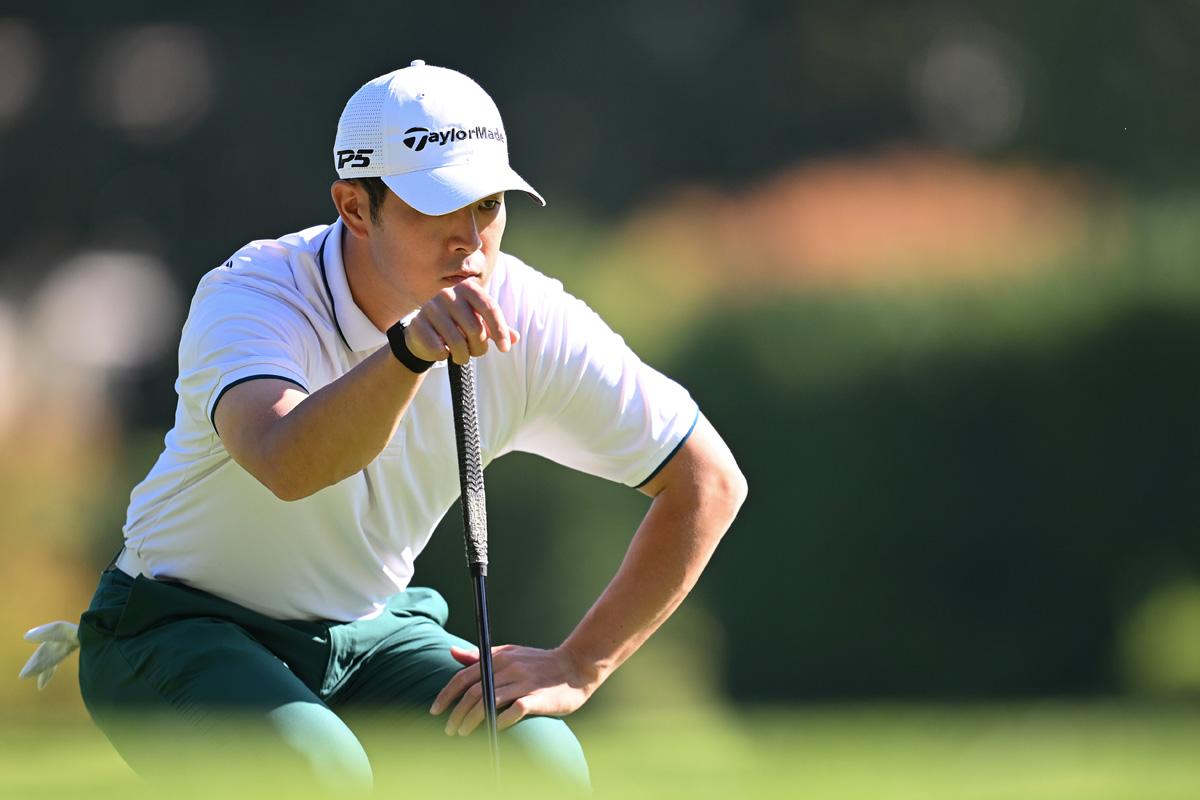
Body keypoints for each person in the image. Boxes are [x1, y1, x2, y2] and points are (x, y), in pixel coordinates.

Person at [34, 60, 746, 792]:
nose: (471, 241)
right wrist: (410, 351)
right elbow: (288, 463)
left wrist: (581, 662)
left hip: (372, 631)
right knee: (317, 772)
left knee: (542, 763)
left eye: (490, 205)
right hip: (175, 624)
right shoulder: (252, 293)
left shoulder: (530, 317)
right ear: (354, 207)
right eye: (439, 207)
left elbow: (708, 481)